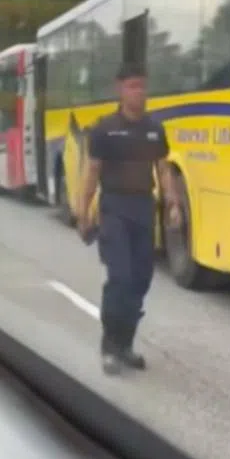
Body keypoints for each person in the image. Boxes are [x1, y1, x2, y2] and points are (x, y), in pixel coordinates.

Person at [75, 62, 182, 375]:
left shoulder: (154, 129)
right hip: (114, 209)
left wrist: (173, 204)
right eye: (133, 86)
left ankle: (126, 344)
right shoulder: (105, 129)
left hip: (143, 209)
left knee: (141, 279)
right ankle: (110, 346)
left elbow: (162, 170)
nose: (140, 92)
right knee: (120, 277)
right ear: (120, 89)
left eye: (143, 86)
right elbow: (92, 172)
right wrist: (83, 212)